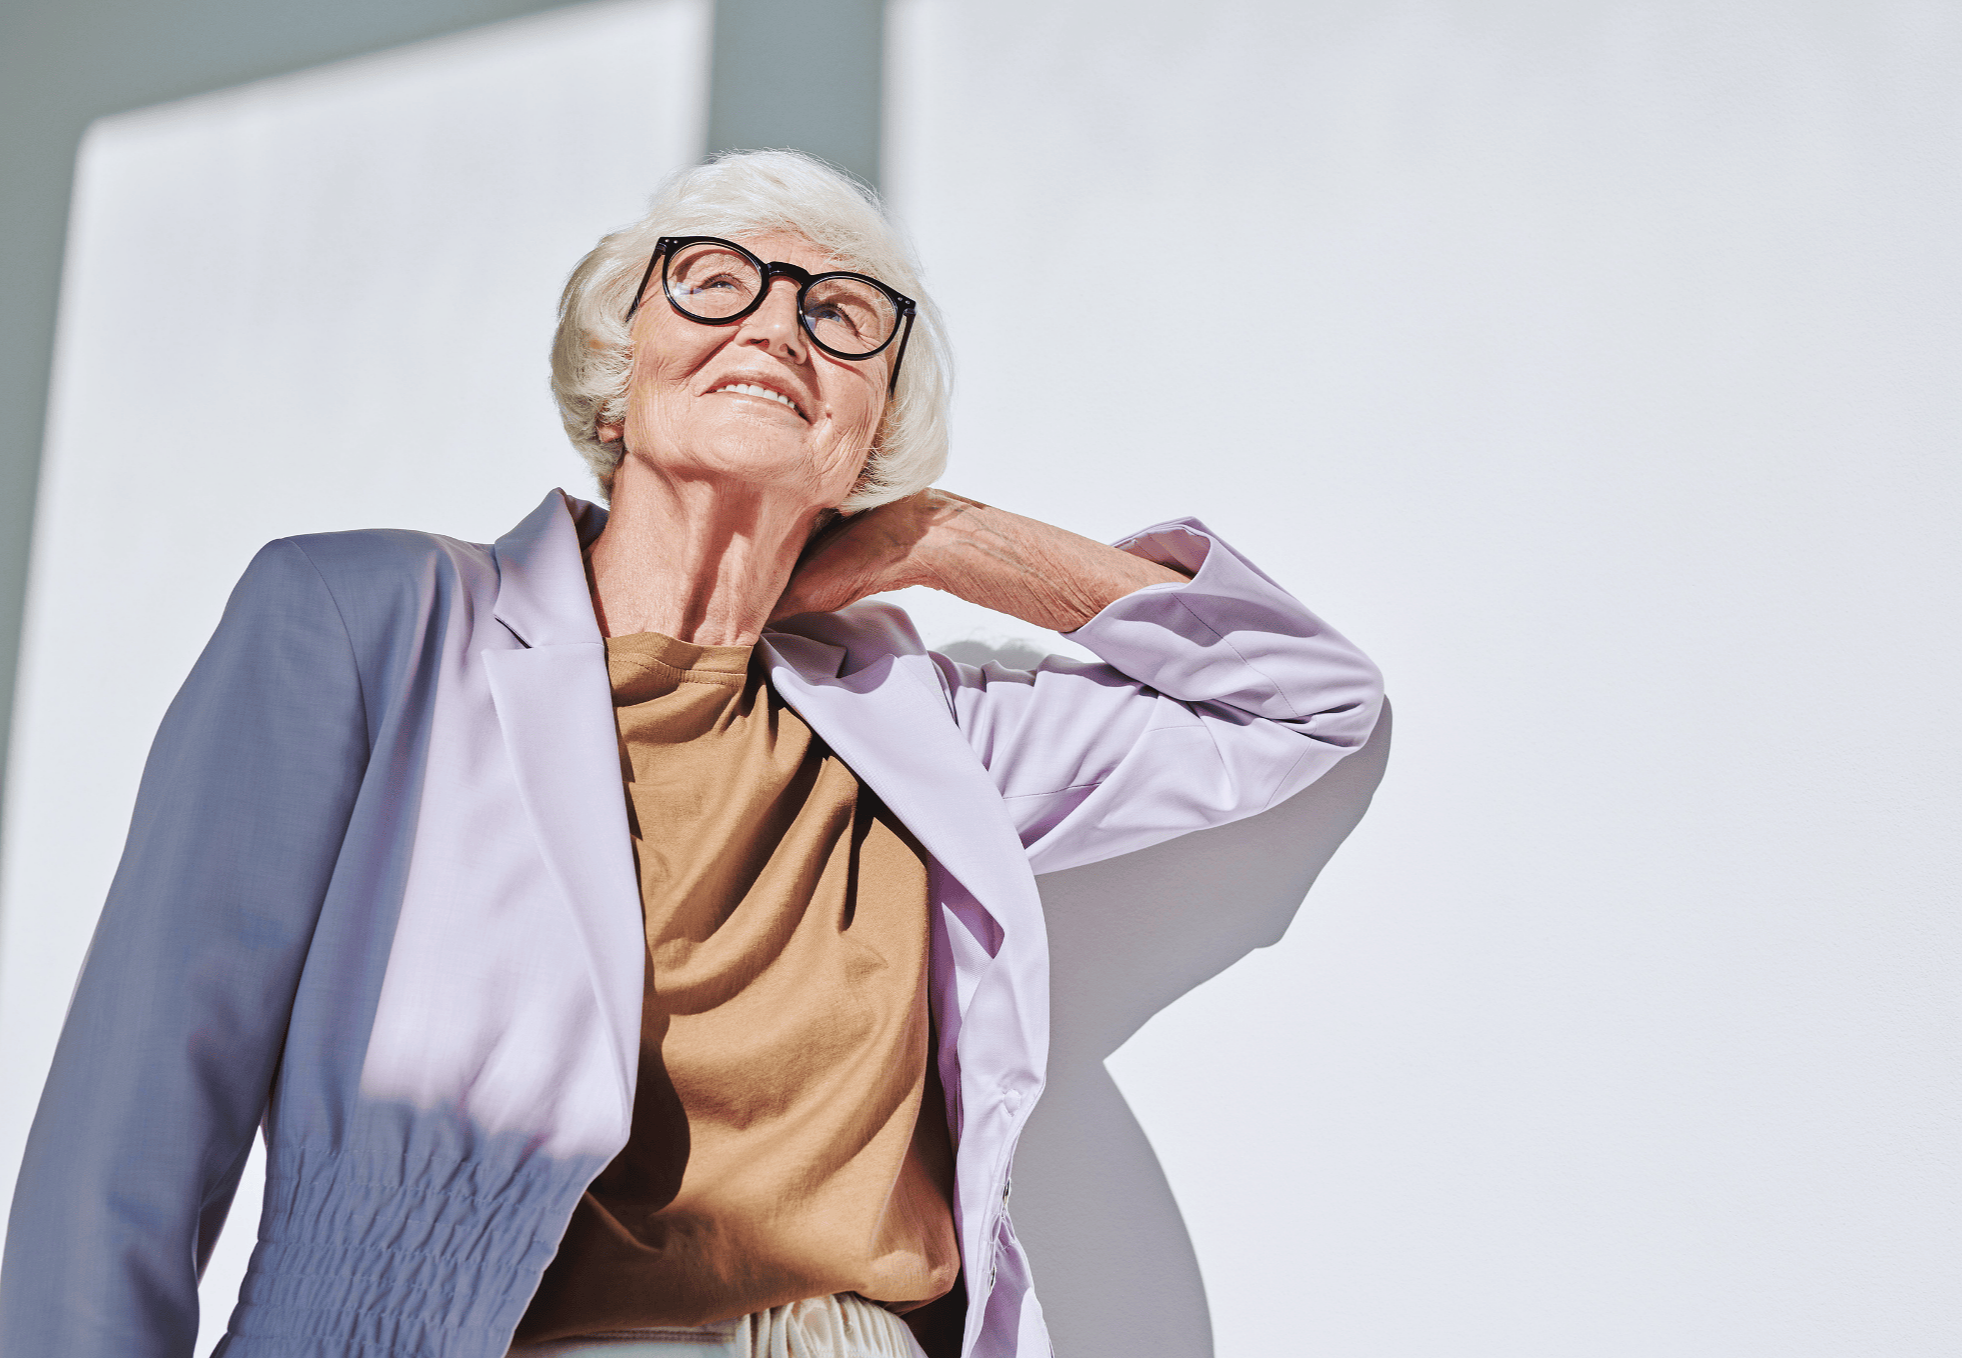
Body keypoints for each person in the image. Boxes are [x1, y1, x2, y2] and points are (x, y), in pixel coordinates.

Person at [0, 150, 1384, 1358]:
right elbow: (132, 1124)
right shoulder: (364, 622)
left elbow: (1308, 703)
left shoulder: (921, 728)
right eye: (716, 280)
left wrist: (955, 541)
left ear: (868, 444)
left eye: (842, 317)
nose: (781, 322)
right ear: (617, 379)